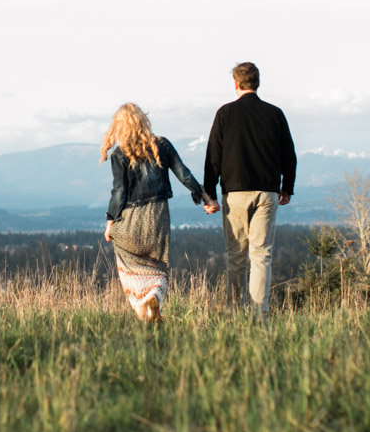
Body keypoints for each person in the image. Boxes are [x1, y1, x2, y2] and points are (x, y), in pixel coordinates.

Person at [201, 62, 297, 320]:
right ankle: (259, 314)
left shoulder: (225, 114)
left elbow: (213, 157)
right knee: (262, 255)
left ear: (235, 83)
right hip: (267, 193)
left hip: (234, 194)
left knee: (237, 257)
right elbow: (289, 155)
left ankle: (234, 313)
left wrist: (208, 193)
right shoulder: (275, 114)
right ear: (258, 82)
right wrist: (287, 187)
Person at [101, 102, 208, 323]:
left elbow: (119, 192)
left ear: (119, 127)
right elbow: (184, 174)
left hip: (131, 218)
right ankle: (153, 297)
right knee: (158, 265)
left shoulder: (119, 154)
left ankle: (142, 305)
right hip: (158, 217)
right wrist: (202, 195)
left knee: (127, 261)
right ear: (143, 121)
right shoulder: (163, 145)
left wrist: (110, 223)